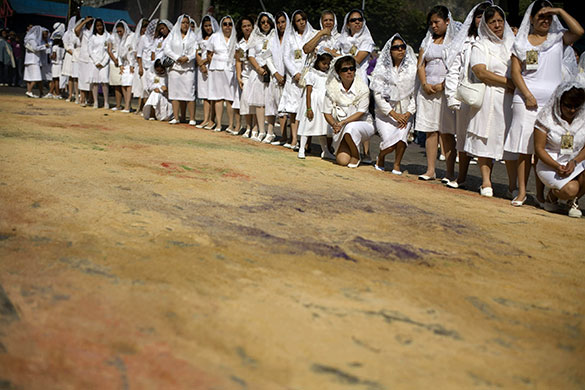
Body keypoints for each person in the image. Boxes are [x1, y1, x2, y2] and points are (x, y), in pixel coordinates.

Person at [505, 0, 583, 208]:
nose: (545, 20)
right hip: (526, 101)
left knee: (546, 148)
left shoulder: (558, 38)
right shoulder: (521, 43)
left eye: (549, 17)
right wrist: (527, 94)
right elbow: (515, 72)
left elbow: (579, 31)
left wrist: (559, 10)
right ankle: (522, 192)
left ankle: (541, 195)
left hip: (552, 105)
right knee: (525, 148)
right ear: (531, 19)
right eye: (541, 16)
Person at [463, 6, 516, 198]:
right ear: (485, 25)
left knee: (508, 140)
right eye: (492, 21)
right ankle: (486, 181)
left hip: (509, 98)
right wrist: (508, 82)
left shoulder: (513, 43)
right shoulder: (480, 44)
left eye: (500, 21)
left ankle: (513, 186)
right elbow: (481, 72)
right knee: (483, 137)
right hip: (489, 96)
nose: (497, 25)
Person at [444, 1, 491, 188]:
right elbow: (454, 70)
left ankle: (486, 180)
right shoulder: (465, 43)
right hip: (466, 95)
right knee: (462, 138)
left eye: (485, 17)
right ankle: (461, 177)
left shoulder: (496, 42)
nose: (482, 21)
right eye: (479, 17)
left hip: (488, 94)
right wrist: (452, 96)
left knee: (484, 137)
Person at [415, 5, 460, 182]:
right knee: (430, 131)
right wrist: (425, 83)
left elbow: (457, 66)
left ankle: (449, 172)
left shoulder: (454, 43)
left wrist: (444, 85)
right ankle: (430, 169)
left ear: (447, 22)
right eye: (431, 23)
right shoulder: (427, 42)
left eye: (437, 22)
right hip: (427, 91)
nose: (434, 26)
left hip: (445, 91)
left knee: (447, 132)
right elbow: (421, 64)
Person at [535, 80, 585, 218]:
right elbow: (539, 149)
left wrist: (574, 162)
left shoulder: (582, 119)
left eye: (577, 106)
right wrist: (557, 166)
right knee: (571, 188)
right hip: (550, 164)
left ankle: (573, 201)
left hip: (576, 162)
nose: (572, 110)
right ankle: (553, 195)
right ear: (559, 102)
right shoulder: (545, 119)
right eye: (568, 106)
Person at [370, 33, 417, 175]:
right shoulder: (382, 69)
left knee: (402, 139)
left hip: (405, 111)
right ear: (390, 51)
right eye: (396, 47)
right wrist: (393, 114)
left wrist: (408, 113)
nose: (400, 50)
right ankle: (381, 157)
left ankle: (397, 164)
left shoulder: (412, 69)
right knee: (390, 143)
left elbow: (415, 94)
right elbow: (377, 95)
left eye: (403, 47)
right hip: (386, 113)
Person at [323, 55, 374, 167]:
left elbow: (361, 112)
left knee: (351, 127)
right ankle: (350, 149)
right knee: (342, 160)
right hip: (340, 127)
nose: (349, 72)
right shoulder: (331, 89)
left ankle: (356, 155)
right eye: (345, 69)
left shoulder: (362, 88)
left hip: (363, 124)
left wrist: (342, 123)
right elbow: (326, 112)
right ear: (338, 72)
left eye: (352, 69)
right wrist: (334, 124)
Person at [279, 10, 314, 150]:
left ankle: (306, 142)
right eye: (298, 20)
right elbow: (286, 57)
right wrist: (295, 73)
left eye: (303, 19)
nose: (301, 22)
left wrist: (307, 74)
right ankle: (294, 139)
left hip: (308, 75)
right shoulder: (290, 37)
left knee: (307, 108)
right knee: (293, 109)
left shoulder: (312, 35)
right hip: (294, 78)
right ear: (294, 22)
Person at [242, 12, 277, 142]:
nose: (265, 24)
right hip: (258, 73)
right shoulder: (255, 37)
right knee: (259, 104)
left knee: (270, 102)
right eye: (262, 22)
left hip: (272, 71)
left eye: (267, 22)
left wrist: (270, 68)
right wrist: (258, 68)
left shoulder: (275, 35)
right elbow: (251, 55)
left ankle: (270, 131)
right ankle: (261, 130)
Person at [297, 52, 334, 159]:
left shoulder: (328, 76)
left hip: (323, 104)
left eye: (328, 64)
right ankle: (302, 148)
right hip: (313, 103)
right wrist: (309, 108)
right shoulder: (311, 74)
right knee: (307, 126)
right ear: (318, 62)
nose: (326, 66)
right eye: (324, 63)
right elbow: (308, 92)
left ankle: (325, 151)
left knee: (322, 128)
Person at [163, 14, 198, 125]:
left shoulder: (193, 36)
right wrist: (177, 57)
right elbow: (167, 49)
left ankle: (192, 118)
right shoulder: (172, 35)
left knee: (189, 92)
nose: (185, 25)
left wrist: (187, 58)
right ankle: (176, 117)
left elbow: (196, 50)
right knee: (174, 92)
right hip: (175, 67)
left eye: (187, 23)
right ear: (179, 24)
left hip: (188, 68)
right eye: (183, 22)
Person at [207, 16, 237, 131]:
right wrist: (213, 64)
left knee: (230, 98)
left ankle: (230, 124)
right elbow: (209, 53)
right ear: (221, 25)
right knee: (218, 97)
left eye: (230, 24)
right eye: (225, 24)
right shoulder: (215, 37)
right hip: (216, 69)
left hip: (230, 68)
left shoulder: (235, 37)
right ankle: (218, 124)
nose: (227, 26)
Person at [266, 11, 289, 146]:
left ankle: (292, 138)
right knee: (278, 107)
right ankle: (283, 136)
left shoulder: (291, 38)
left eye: (283, 22)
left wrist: (286, 75)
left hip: (289, 77)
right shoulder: (272, 38)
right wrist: (276, 73)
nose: (281, 25)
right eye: (278, 22)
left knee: (290, 109)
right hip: (276, 77)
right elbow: (267, 57)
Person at [336, 10, 374, 84]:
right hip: (341, 79)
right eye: (353, 20)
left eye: (360, 19)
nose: (357, 22)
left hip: (358, 79)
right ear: (347, 24)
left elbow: (355, 61)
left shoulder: (366, 40)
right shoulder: (341, 39)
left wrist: (335, 55)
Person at [194, 14, 219, 129]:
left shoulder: (216, 37)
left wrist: (204, 62)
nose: (208, 28)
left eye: (210, 25)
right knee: (204, 95)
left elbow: (213, 54)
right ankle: (205, 119)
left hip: (211, 66)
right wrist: (200, 64)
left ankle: (212, 120)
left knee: (211, 95)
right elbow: (197, 52)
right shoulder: (200, 38)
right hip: (202, 69)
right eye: (206, 26)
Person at [233, 16, 255, 136]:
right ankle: (248, 127)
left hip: (256, 75)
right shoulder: (240, 43)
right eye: (244, 26)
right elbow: (238, 61)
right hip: (246, 75)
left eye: (249, 26)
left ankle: (256, 128)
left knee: (255, 102)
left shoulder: (257, 40)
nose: (247, 28)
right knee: (246, 101)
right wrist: (238, 76)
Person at [108, 20, 133, 112]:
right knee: (123, 84)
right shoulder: (120, 39)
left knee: (129, 85)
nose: (119, 33)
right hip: (124, 64)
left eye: (120, 31)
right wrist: (121, 64)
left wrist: (132, 64)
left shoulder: (131, 37)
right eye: (117, 31)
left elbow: (132, 52)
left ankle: (127, 106)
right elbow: (119, 52)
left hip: (130, 64)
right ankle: (126, 105)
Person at [88, 18, 110, 108]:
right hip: (95, 62)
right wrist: (96, 61)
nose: (99, 27)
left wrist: (103, 62)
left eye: (100, 25)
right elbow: (90, 50)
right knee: (95, 81)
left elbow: (109, 50)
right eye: (97, 26)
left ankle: (106, 102)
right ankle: (96, 101)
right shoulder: (92, 37)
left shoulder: (107, 36)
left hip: (105, 62)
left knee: (104, 81)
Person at [75, 17, 95, 106]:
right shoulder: (83, 31)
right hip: (83, 58)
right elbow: (76, 30)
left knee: (91, 79)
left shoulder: (95, 33)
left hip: (93, 58)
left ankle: (91, 99)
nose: (89, 23)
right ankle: (82, 99)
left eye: (90, 22)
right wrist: (84, 22)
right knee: (82, 79)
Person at [24, 25, 48, 98]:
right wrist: (44, 46)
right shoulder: (33, 39)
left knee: (29, 77)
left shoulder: (28, 38)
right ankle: (29, 91)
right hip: (33, 60)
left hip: (29, 60)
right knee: (37, 77)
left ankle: (30, 92)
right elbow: (35, 48)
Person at [131, 19, 149, 110]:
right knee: (140, 87)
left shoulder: (149, 38)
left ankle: (144, 107)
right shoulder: (138, 38)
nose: (145, 29)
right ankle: (139, 107)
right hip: (139, 65)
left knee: (145, 87)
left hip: (146, 65)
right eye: (143, 27)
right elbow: (136, 53)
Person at [62, 16, 78, 102]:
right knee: (71, 77)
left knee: (77, 76)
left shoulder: (79, 32)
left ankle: (77, 95)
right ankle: (70, 94)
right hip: (70, 55)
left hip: (78, 55)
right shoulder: (67, 33)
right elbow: (66, 46)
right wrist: (73, 53)